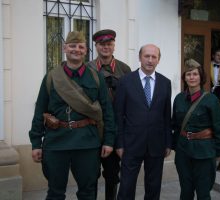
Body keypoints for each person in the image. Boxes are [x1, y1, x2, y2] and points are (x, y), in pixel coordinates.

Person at [29, 31, 116, 200]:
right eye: (72, 46)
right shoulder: (51, 77)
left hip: (87, 142)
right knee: (55, 192)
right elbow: (39, 111)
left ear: (86, 50)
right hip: (56, 142)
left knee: (87, 192)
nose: (76, 49)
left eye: (81, 46)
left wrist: (109, 140)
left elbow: (107, 111)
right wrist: (35, 143)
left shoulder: (95, 77)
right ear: (65, 48)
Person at [114, 44, 172, 200]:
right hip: (131, 144)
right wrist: (119, 143)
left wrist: (168, 143)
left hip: (156, 143)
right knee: (126, 187)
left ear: (158, 60)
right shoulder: (125, 81)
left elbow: (167, 116)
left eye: (154, 57)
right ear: (140, 57)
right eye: (147, 56)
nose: (150, 60)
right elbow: (118, 115)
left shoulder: (165, 83)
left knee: (153, 188)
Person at [171, 59, 220, 200]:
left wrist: (215, 153)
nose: (192, 77)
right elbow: (175, 126)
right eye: (188, 74)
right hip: (183, 152)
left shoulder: (211, 100)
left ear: (201, 77)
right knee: (185, 191)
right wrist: (176, 147)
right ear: (184, 77)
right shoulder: (178, 99)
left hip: (204, 153)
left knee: (203, 193)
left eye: (195, 74)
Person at [87, 29, 131, 200]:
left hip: (115, 131)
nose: (106, 47)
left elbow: (130, 100)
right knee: (90, 174)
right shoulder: (87, 68)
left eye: (109, 44)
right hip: (92, 130)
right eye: (101, 44)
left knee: (112, 175)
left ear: (114, 46)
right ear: (96, 46)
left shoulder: (124, 69)